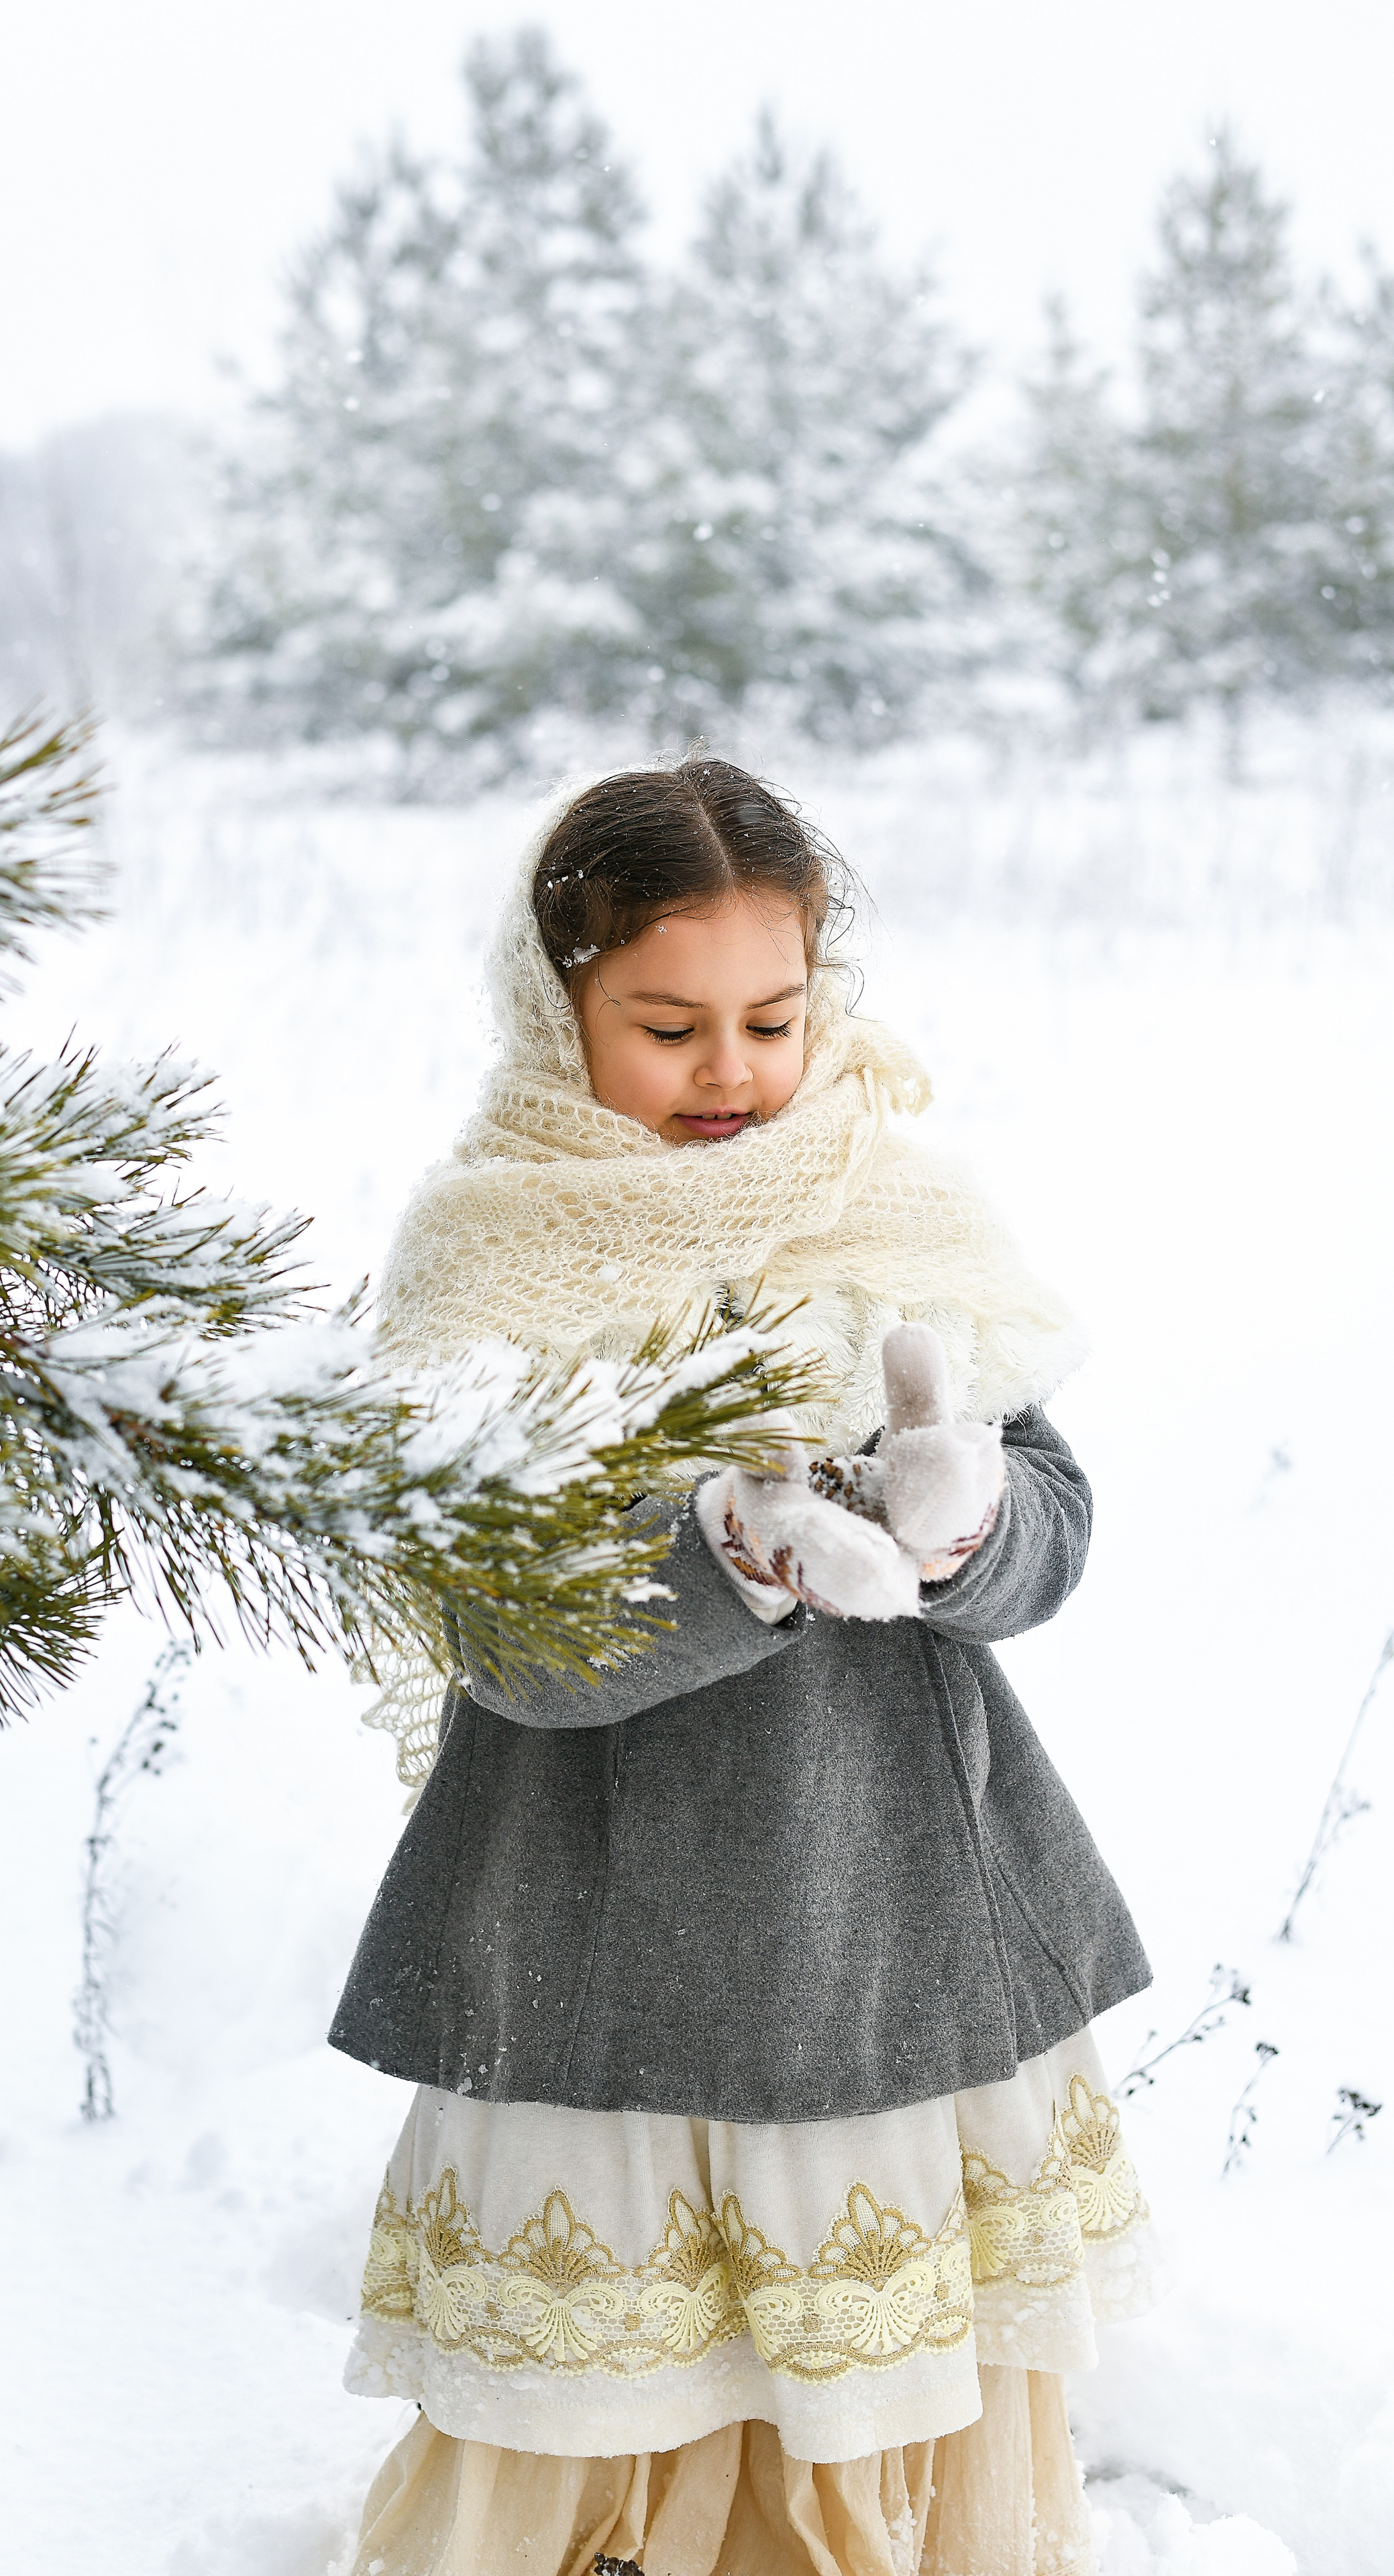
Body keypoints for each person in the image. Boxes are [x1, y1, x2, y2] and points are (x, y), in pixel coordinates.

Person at [327, 759, 1159, 2576]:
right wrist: (729, 1554)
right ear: (556, 1009)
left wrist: (968, 1522)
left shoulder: (893, 1213)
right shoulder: (494, 1255)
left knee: (876, 2381)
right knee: (608, 2386)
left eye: (772, 1021)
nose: (730, 1073)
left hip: (892, 1926)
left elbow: (1054, 1525)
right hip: (597, 1950)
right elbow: (500, 1637)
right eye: (667, 1026)